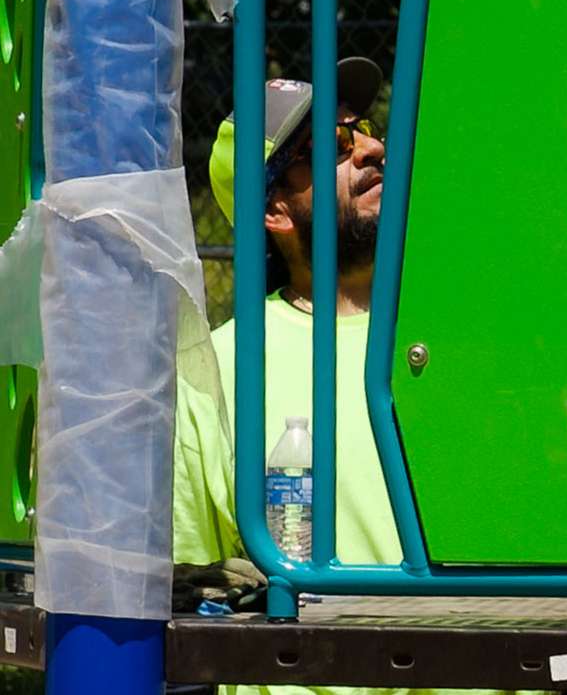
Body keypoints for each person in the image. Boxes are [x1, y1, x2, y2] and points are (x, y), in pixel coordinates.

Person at [173, 57, 489, 695]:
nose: (373, 147)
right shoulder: (215, 373)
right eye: (335, 144)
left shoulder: (472, 333)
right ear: (278, 212)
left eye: (365, 128)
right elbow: (188, 605)